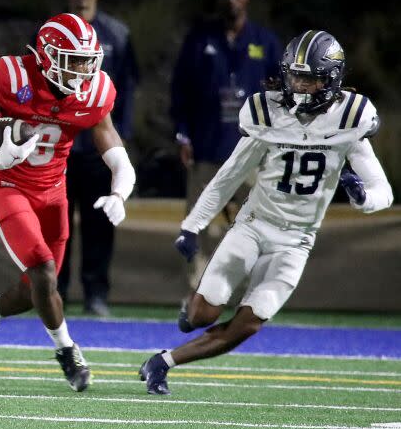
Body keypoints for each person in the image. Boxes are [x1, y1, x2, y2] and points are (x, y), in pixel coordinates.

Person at [141, 30, 393, 395]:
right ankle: (190, 310)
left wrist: (361, 198)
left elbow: (383, 192)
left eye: (311, 78)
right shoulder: (267, 113)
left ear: (331, 79)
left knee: (248, 324)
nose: (301, 86)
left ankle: (162, 363)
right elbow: (228, 176)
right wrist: (192, 226)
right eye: (296, 76)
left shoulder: (350, 120)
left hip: (296, 241)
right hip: (254, 227)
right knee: (201, 316)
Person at [0, 13, 136, 391]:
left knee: (35, 290)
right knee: (45, 273)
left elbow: (115, 151)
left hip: (53, 191)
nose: (82, 70)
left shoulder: (94, 91)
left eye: (87, 61)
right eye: (74, 60)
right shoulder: (13, 78)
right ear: (47, 56)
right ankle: (67, 350)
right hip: (7, 185)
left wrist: (120, 193)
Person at [170, 0, 282, 328]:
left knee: (258, 227)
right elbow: (180, 90)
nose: (231, 1)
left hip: (252, 155)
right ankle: (194, 299)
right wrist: (182, 135)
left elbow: (284, 95)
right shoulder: (201, 38)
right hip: (207, 151)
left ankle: (254, 301)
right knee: (197, 230)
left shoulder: (264, 42)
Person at [58, 0, 139, 317]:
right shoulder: (51, 32)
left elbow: (128, 90)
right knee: (54, 221)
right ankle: (52, 290)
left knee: (100, 221)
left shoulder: (117, 34)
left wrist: (121, 139)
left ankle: (96, 292)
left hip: (97, 145)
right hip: (58, 147)